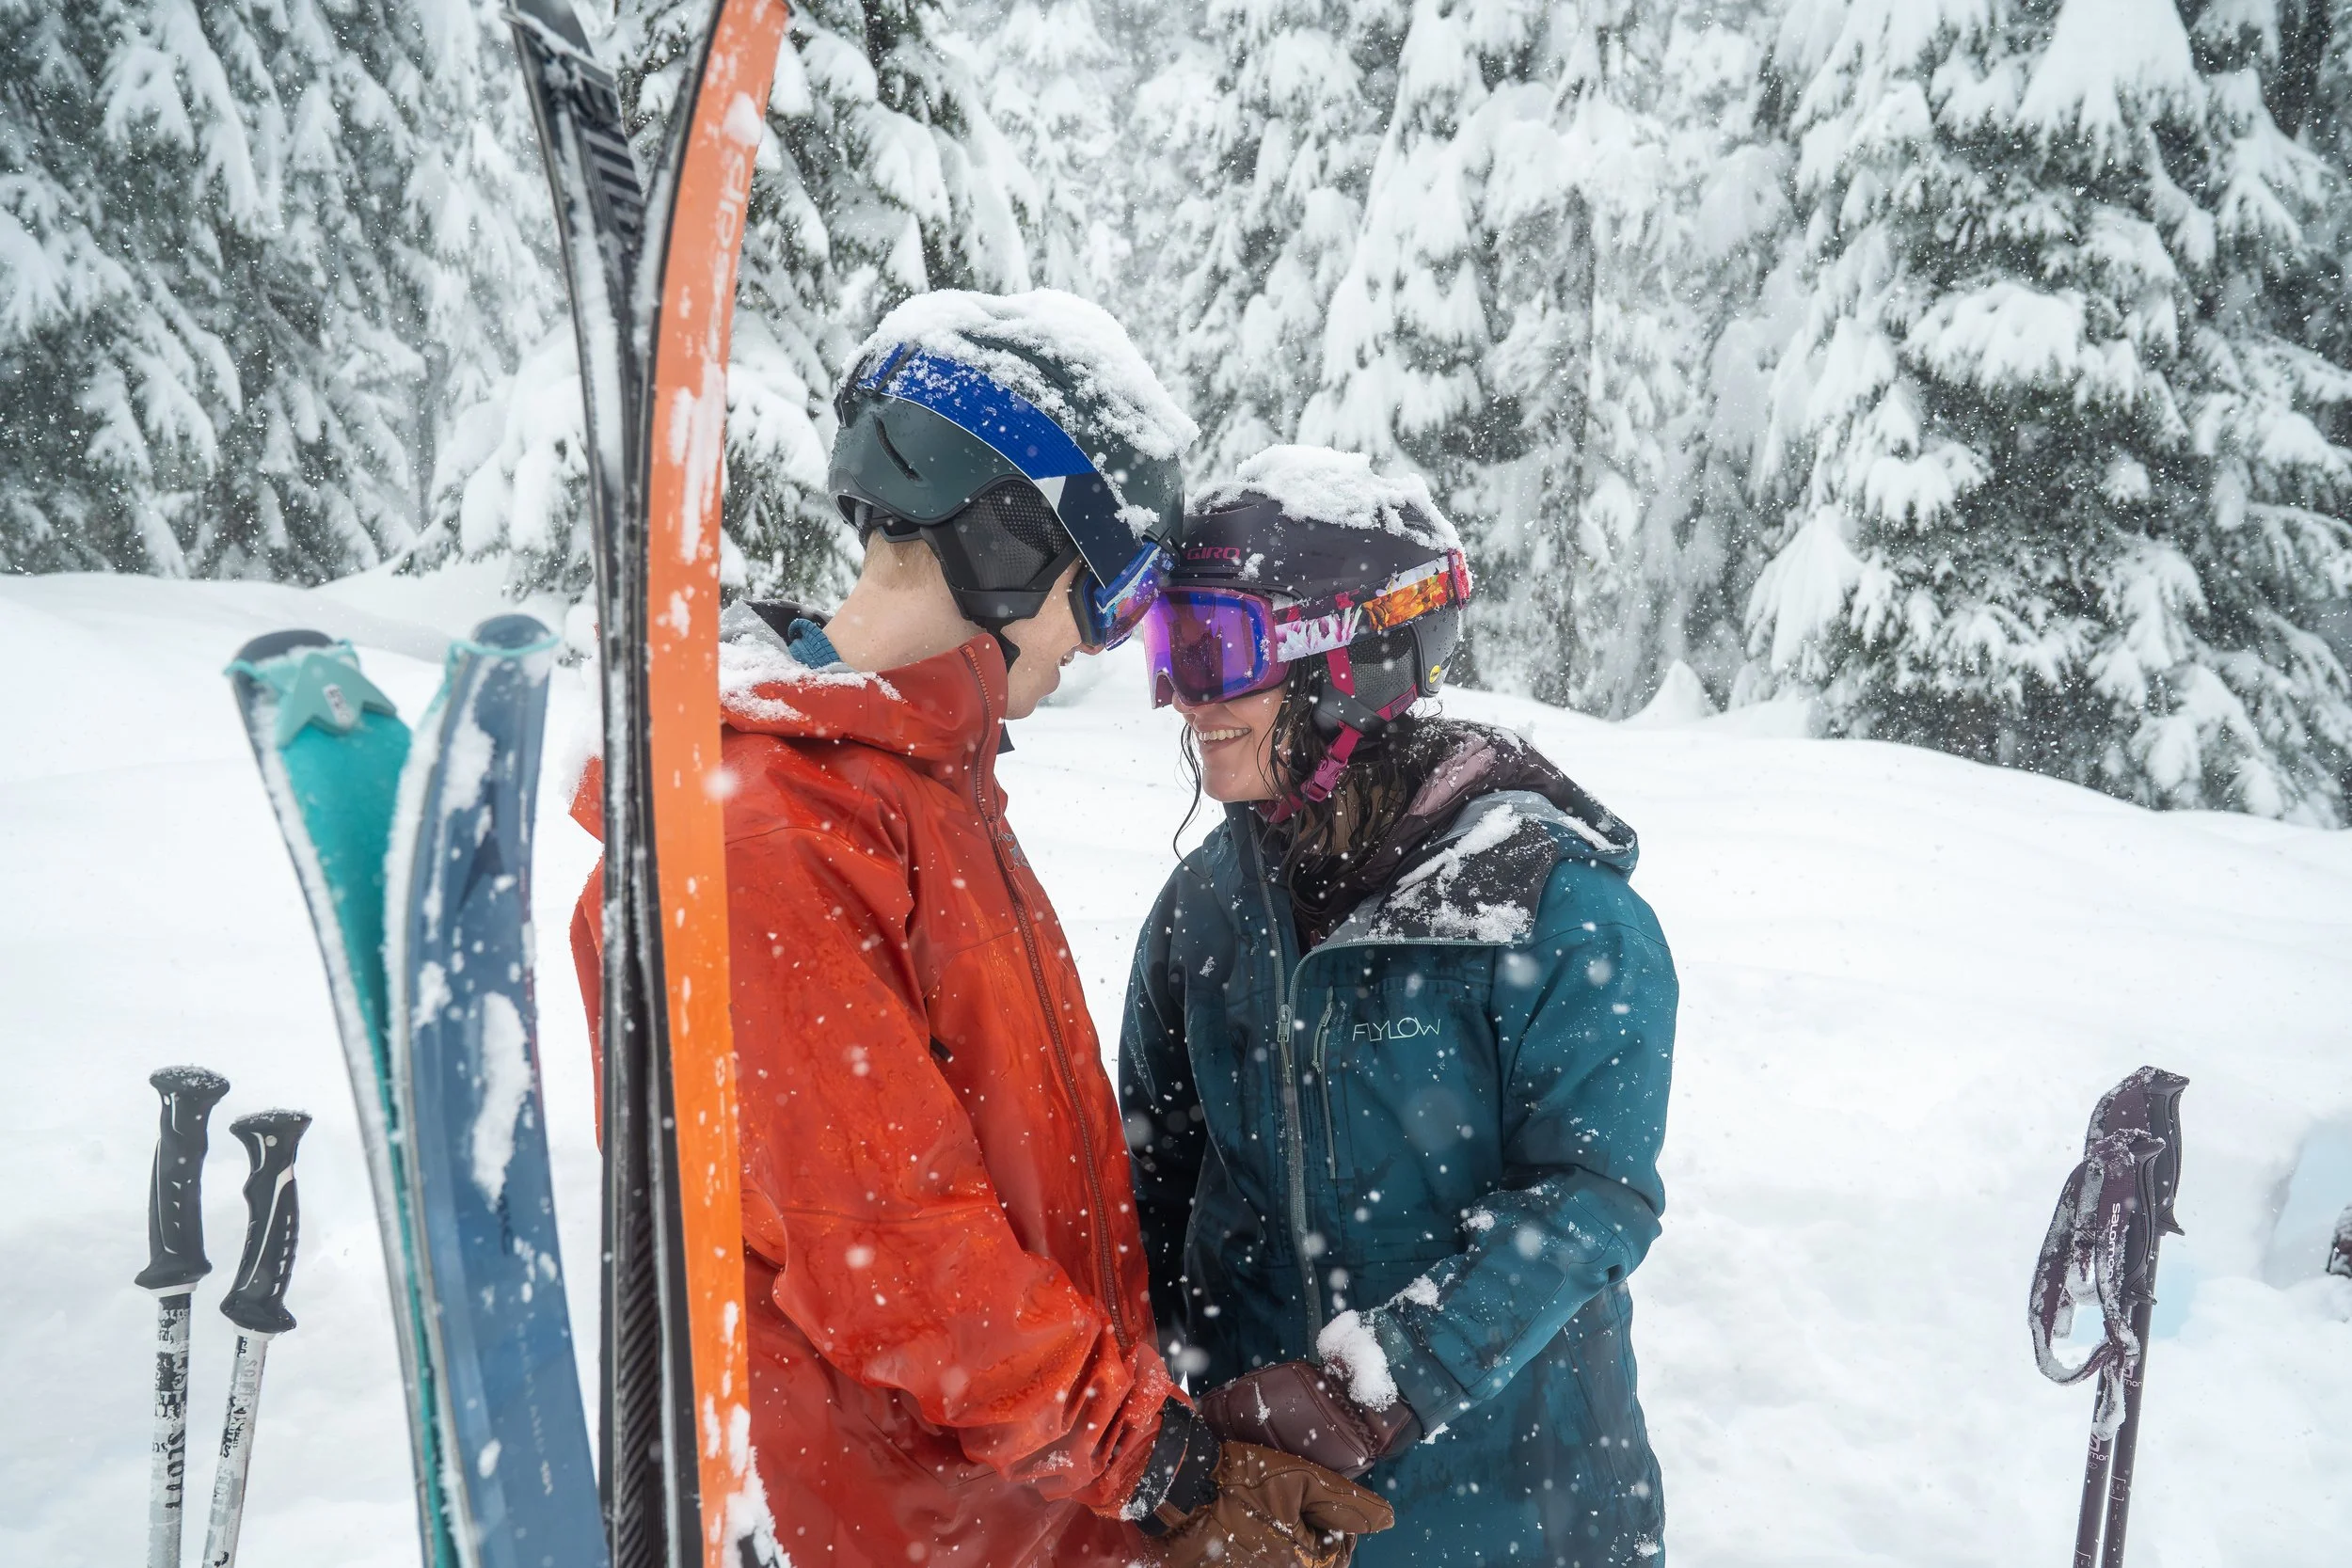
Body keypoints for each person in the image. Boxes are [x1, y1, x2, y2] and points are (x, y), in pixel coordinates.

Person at [569, 294, 1388, 1568]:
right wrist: (1159, 1462)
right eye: (1103, 598)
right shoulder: (768, 834)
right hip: (886, 1527)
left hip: (1002, 1510)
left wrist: (1139, 1457)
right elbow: (898, 1255)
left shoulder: (926, 790)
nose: (1100, 647)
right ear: (1012, 547)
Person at [1119, 446, 1678, 1566]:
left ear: (1355, 660)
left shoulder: (1551, 911)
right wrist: (1156, 1430)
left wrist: (1382, 1385)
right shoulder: (1206, 909)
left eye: (1217, 650)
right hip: (1258, 1515)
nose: (1186, 697)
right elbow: (1150, 1176)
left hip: (1515, 1513)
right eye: (1166, 652)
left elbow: (1592, 1197)